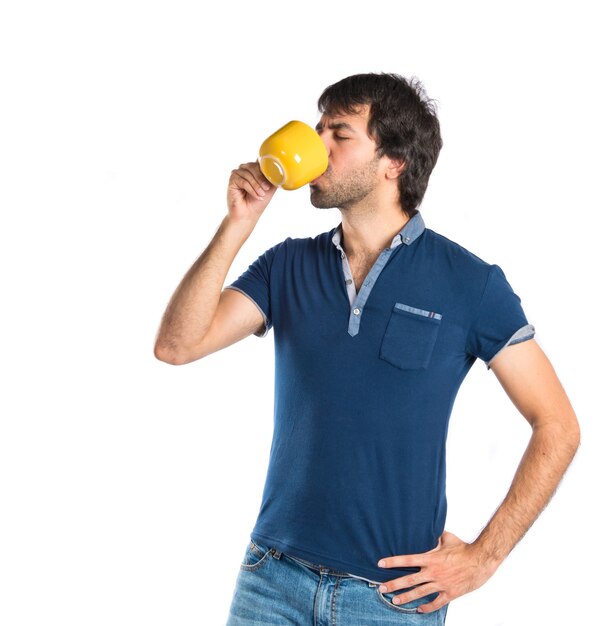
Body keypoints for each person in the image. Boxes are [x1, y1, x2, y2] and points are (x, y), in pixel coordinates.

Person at [154, 72, 580, 625]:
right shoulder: (287, 265)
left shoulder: (471, 284)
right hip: (271, 579)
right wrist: (238, 224)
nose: (317, 146)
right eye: (316, 130)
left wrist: (484, 558)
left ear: (393, 163)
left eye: (340, 134)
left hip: (391, 600)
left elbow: (558, 425)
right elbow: (177, 345)